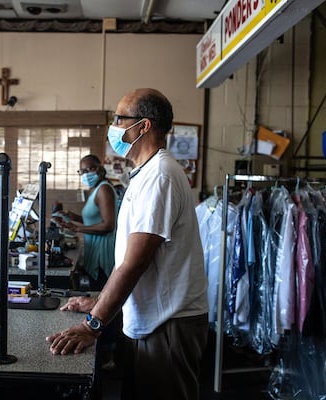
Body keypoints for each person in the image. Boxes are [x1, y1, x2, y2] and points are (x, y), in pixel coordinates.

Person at [46, 88, 208, 400]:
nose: (114, 127)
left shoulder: (160, 175)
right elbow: (128, 258)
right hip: (152, 319)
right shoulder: (144, 174)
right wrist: (99, 303)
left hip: (169, 323)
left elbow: (135, 263)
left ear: (144, 126)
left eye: (120, 119)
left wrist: (92, 325)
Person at [53, 154, 117, 291]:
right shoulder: (96, 189)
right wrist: (72, 217)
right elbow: (93, 220)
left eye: (87, 170)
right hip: (93, 251)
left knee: (99, 295)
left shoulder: (104, 190)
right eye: (81, 172)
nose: (84, 175)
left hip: (102, 254)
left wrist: (77, 229)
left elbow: (108, 225)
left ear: (98, 169)